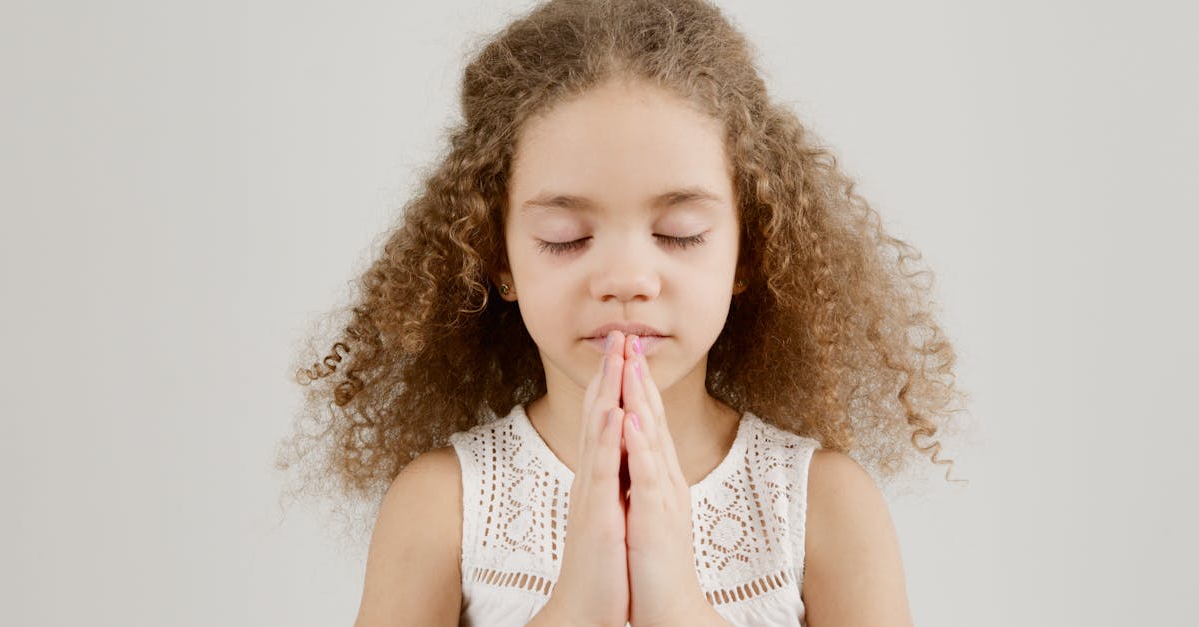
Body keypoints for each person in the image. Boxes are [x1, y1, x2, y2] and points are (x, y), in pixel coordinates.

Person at [278, 1, 968, 625]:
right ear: (499, 258)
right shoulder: (441, 506)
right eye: (567, 239)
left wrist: (680, 606)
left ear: (750, 249)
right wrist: (577, 606)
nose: (627, 280)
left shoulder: (824, 505)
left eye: (679, 233)